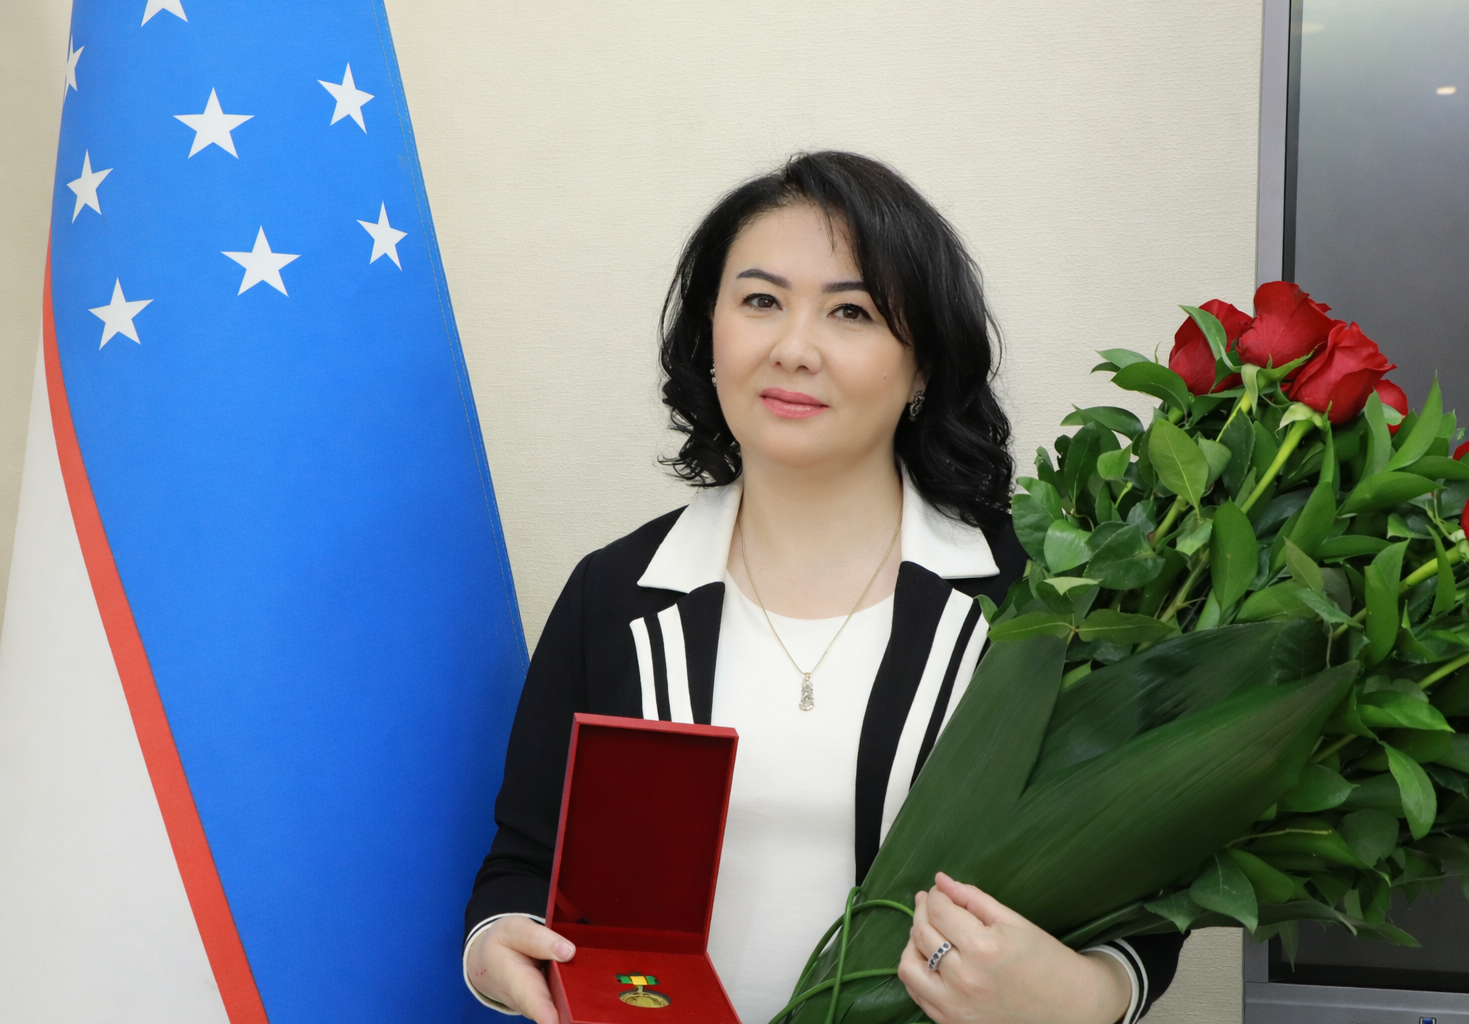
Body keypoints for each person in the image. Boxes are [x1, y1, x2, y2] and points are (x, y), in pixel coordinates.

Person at [462, 151, 1184, 1024]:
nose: (793, 349)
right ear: (710, 332)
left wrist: (1093, 996)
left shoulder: (1036, 600)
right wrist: (496, 948)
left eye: (851, 311)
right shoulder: (616, 593)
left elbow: (1135, 880)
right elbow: (523, 863)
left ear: (924, 365)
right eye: (760, 302)